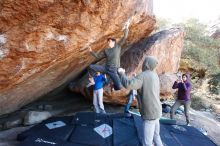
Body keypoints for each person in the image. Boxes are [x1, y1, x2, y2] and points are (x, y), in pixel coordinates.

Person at [118, 56, 163, 146]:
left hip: (149, 113)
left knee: (147, 143)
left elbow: (129, 85)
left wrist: (121, 74)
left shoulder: (143, 75)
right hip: (157, 111)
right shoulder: (155, 75)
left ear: (146, 64)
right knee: (156, 136)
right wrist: (135, 78)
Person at [87, 18, 132, 90]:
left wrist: (127, 27)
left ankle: (113, 87)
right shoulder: (106, 50)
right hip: (106, 68)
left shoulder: (118, 46)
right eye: (108, 42)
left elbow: (125, 37)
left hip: (114, 70)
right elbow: (98, 56)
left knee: (119, 87)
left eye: (110, 41)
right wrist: (91, 51)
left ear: (114, 42)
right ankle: (92, 80)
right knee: (91, 67)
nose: (108, 42)